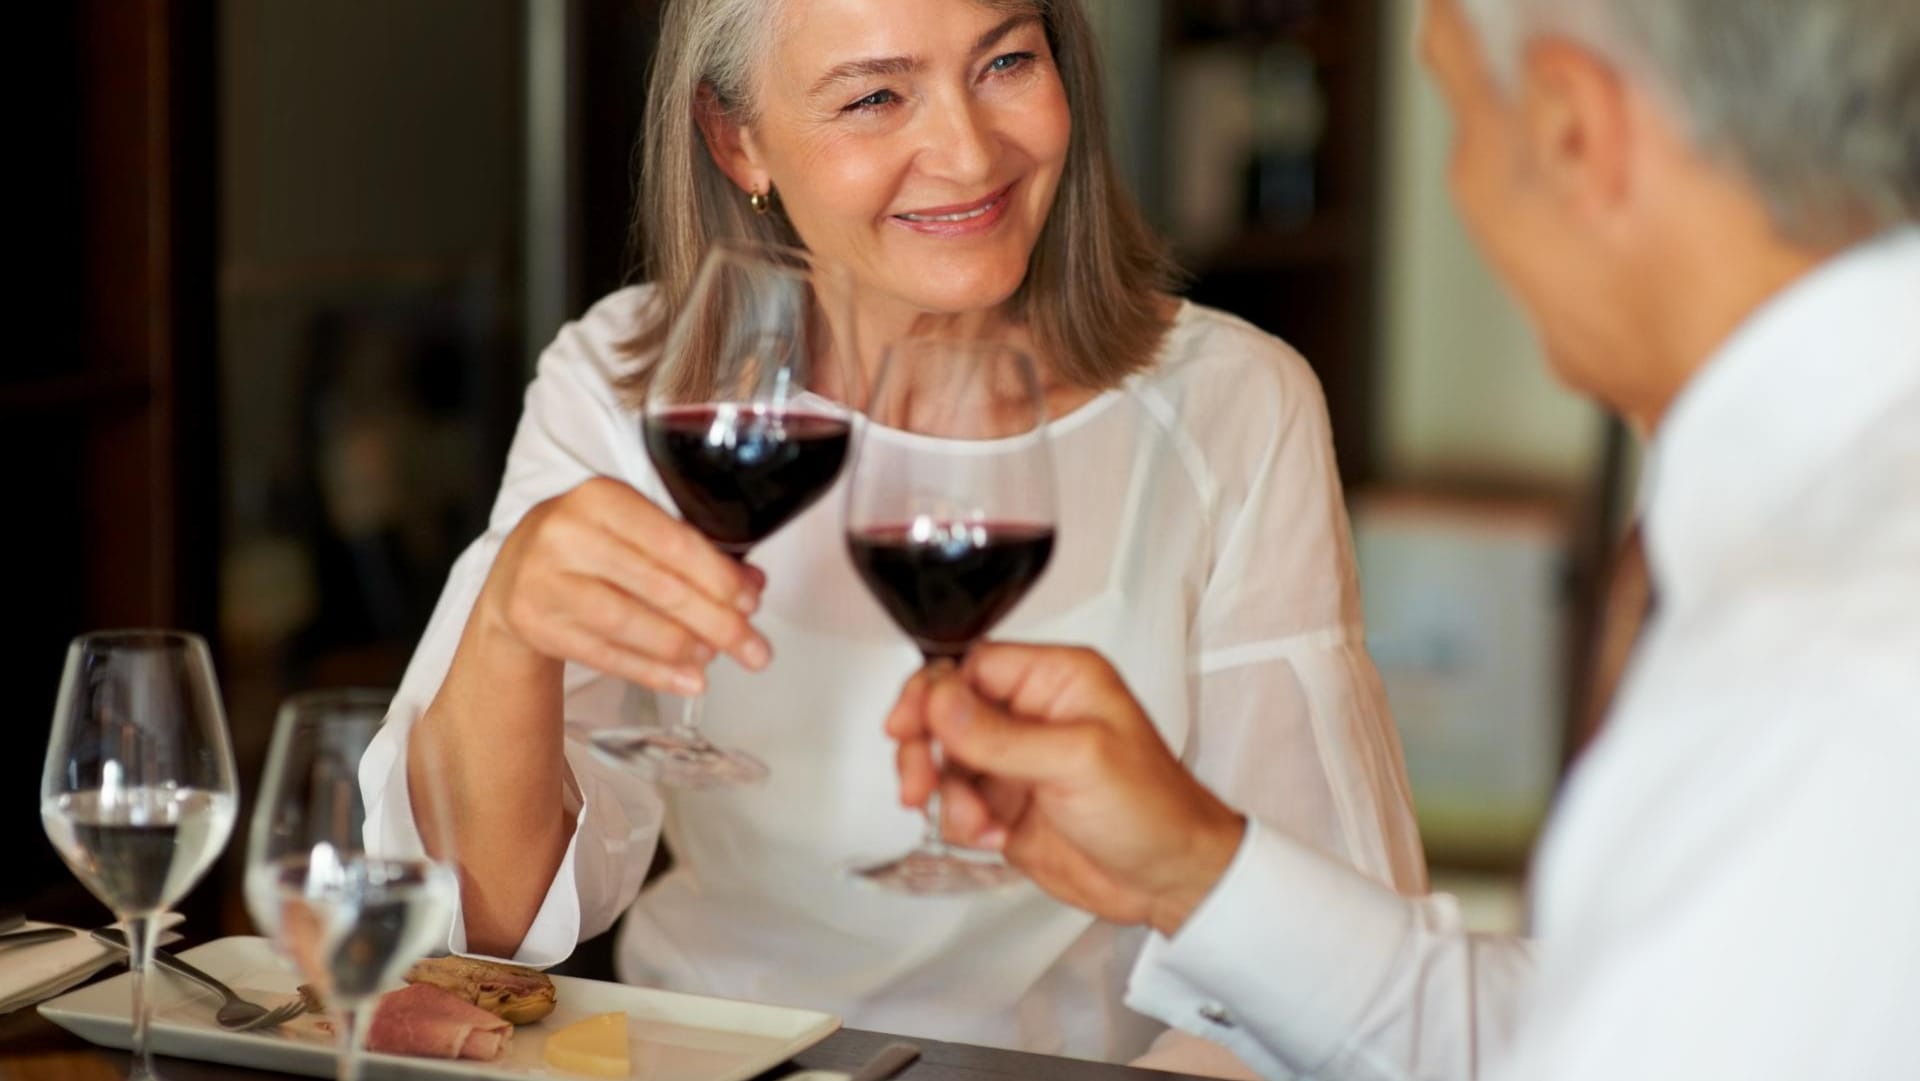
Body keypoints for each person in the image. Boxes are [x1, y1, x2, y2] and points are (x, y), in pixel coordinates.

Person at [360, 0, 1426, 1071]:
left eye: (1006, 60)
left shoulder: (1233, 403)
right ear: (737, 140)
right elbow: (473, 925)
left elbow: (1320, 967)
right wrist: (507, 626)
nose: (967, 153)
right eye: (875, 96)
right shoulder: (625, 381)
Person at [885, 0, 1920, 1077]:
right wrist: (1195, 870)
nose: (1459, 189)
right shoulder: (1824, 547)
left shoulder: (1829, 662)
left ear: (1573, 129)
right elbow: (1622, 1032)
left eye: (1462, 114)